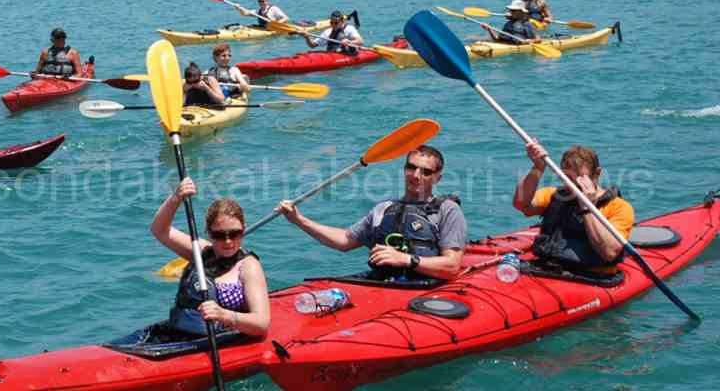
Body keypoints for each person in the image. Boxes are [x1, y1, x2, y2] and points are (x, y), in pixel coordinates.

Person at [277, 145, 467, 281]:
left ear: (437, 178)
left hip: (423, 288)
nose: (416, 175)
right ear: (404, 169)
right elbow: (345, 241)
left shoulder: (447, 210)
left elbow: (452, 267)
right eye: (411, 167)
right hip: (382, 284)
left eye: (425, 172)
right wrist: (299, 220)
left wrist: (407, 259)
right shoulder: (384, 209)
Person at [151, 177, 270, 337]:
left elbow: (261, 323)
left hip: (222, 339)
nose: (228, 241)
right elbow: (159, 230)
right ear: (208, 233)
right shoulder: (201, 250)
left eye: (235, 234)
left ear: (243, 230)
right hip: (181, 333)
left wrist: (225, 315)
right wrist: (176, 198)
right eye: (219, 235)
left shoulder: (249, 267)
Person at [512, 142, 634, 273]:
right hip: (551, 271)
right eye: (568, 178)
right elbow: (521, 204)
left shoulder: (620, 207)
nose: (574, 185)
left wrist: (586, 206)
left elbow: (609, 253)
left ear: (597, 173)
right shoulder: (554, 195)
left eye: (581, 179)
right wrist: (538, 167)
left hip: (593, 277)